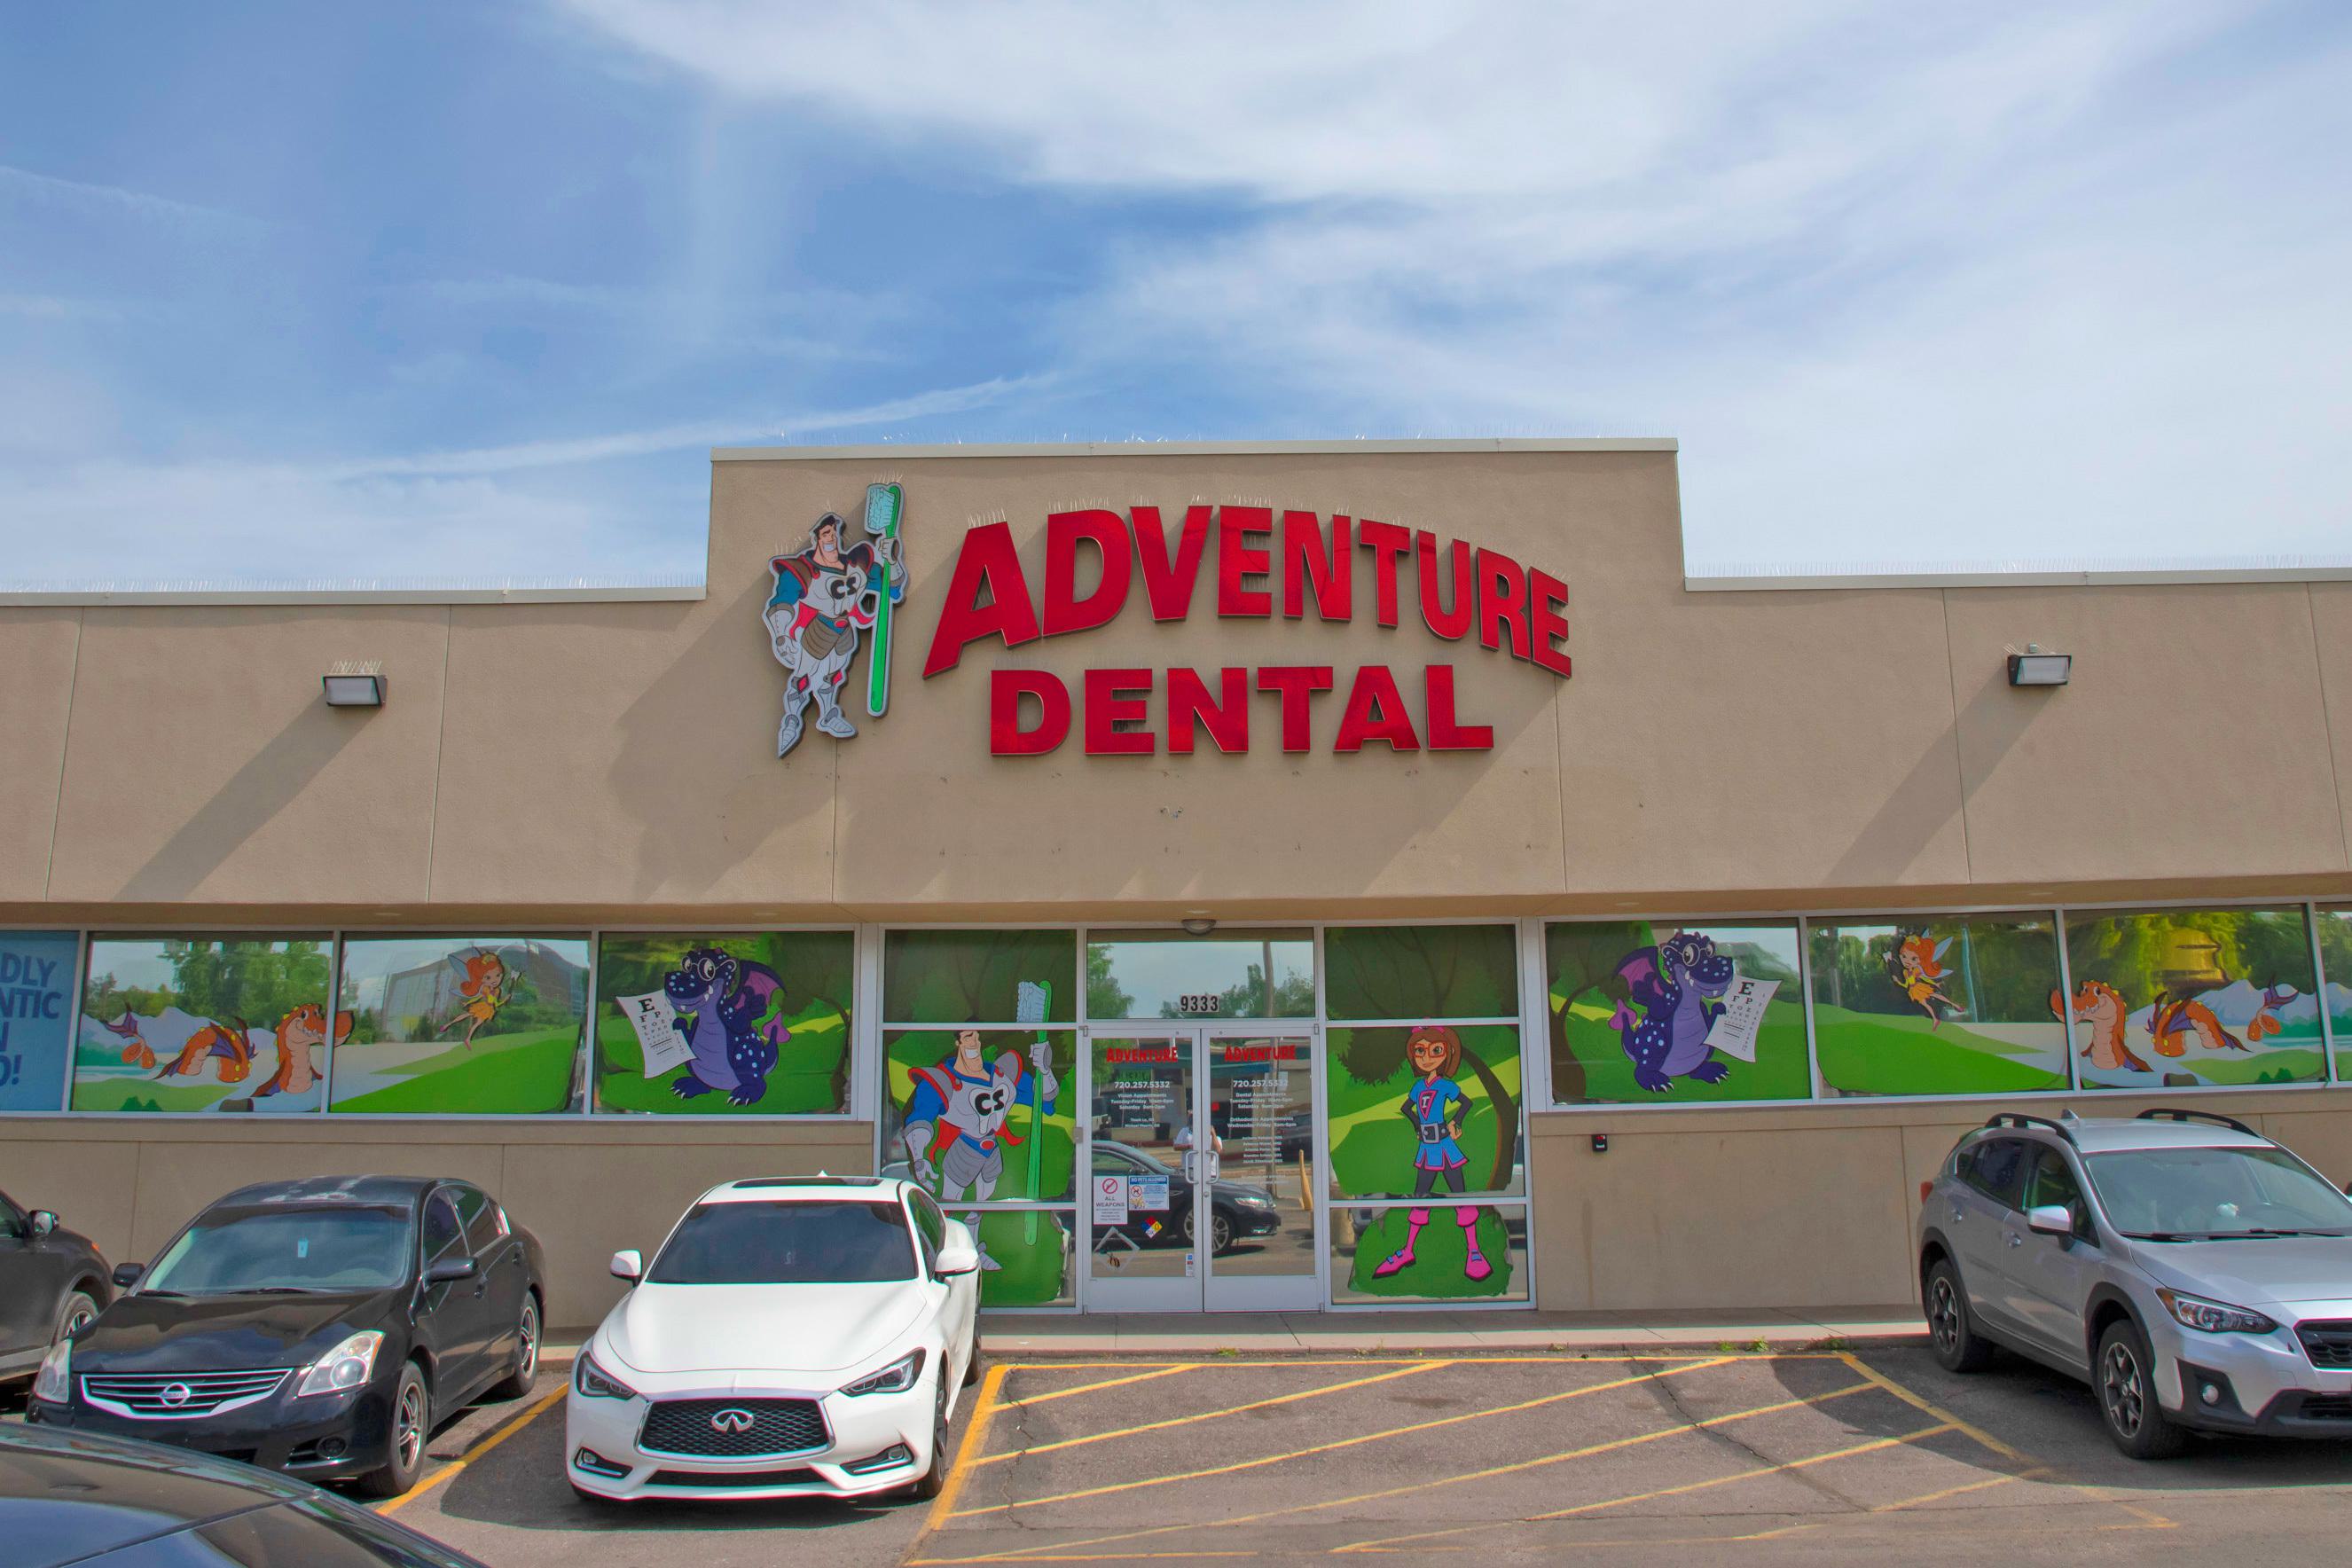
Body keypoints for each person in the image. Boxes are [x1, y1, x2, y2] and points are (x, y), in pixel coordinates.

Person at [1373, 1024, 1491, 1282]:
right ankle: (1408, 1251)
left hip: (1445, 1144)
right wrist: (1417, 1125)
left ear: (1447, 1053)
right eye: (1420, 1051)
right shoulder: (1418, 1087)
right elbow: (1406, 1108)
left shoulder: (1445, 1085)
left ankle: (1474, 1250)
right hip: (1427, 1146)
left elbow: (1467, 1102)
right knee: (1421, 1197)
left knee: (1459, 1196)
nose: (1426, 1057)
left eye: (1435, 1050)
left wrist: (1456, 1122)